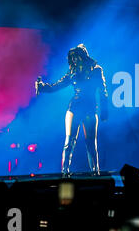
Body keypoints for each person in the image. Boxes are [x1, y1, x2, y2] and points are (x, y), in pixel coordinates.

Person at [35, 44, 108, 175]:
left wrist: (104, 110)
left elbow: (103, 91)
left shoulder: (96, 70)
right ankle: (65, 171)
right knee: (69, 141)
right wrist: (42, 87)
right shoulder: (72, 72)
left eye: (76, 56)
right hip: (74, 108)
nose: (74, 60)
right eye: (72, 57)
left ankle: (95, 172)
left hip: (90, 109)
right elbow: (56, 86)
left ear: (83, 56)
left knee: (91, 143)